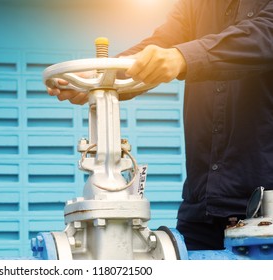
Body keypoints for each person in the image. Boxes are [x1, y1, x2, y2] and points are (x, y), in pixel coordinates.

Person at [47, 0, 273, 250]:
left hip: (266, 212)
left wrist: (183, 56)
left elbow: (264, 34)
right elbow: (160, 46)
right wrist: (101, 77)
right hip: (201, 210)